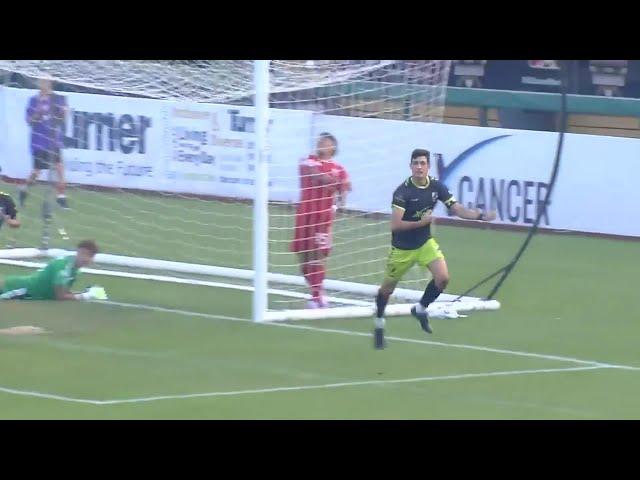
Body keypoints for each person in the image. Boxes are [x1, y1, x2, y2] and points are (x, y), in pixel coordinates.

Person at [373, 149, 497, 349]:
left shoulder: (436, 186)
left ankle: (421, 308)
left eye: (423, 163)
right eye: (416, 163)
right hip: (402, 249)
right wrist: (421, 222)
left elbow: (457, 209)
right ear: (410, 166)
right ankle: (379, 323)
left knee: (443, 278)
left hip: (425, 244)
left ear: (428, 166)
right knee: (387, 289)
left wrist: (480, 216)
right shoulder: (402, 192)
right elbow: (395, 226)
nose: (419, 167)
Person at [290, 133, 351, 308]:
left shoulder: (339, 168)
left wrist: (340, 201)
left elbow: (346, 188)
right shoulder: (307, 161)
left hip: (322, 217)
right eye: (319, 141)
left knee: (317, 255)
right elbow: (317, 176)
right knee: (303, 256)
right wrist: (338, 184)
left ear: (333, 148)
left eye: (325, 142)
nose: (321, 144)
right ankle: (318, 292)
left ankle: (316, 297)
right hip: (304, 215)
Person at [0, 240, 107, 301]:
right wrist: (85, 296)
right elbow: (59, 296)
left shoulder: (74, 269)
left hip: (27, 291)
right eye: (87, 255)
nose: (89, 259)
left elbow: (64, 292)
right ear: (79, 252)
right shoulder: (63, 268)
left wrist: (85, 292)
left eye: (92, 256)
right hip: (18, 289)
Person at [20, 78, 70, 210]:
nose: (44, 84)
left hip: (54, 141)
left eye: (47, 82)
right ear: (39, 84)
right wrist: (38, 113)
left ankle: (61, 197)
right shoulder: (33, 100)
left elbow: (60, 120)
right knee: (36, 172)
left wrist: (64, 113)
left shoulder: (57, 99)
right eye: (42, 82)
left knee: (60, 168)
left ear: (50, 84)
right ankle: (24, 189)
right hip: (39, 142)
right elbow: (29, 121)